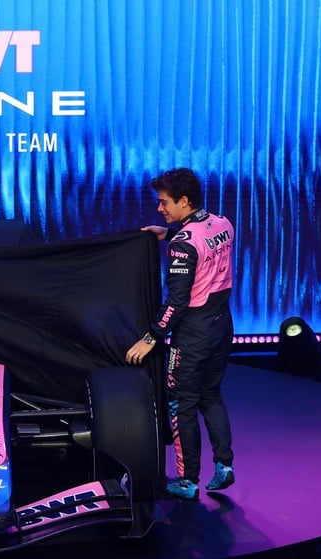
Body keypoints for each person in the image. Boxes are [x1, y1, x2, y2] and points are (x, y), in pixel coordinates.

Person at [125, 167, 236, 500]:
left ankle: (187, 481)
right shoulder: (223, 223)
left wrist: (151, 338)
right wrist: (170, 231)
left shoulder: (182, 246)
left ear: (184, 201)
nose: (160, 208)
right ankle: (224, 465)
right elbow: (199, 239)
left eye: (164, 202)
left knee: (181, 404)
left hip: (193, 334)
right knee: (211, 394)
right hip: (222, 325)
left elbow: (176, 301)